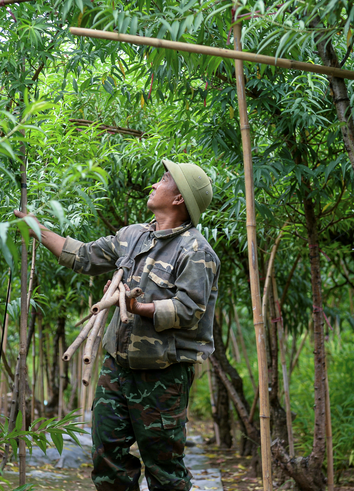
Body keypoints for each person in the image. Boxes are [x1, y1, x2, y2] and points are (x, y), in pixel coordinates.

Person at [14, 159, 220, 491]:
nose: (154, 184)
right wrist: (37, 229)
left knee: (164, 469)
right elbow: (83, 256)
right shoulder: (132, 236)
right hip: (116, 369)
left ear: (179, 197)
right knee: (107, 460)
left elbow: (189, 310)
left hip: (163, 376)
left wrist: (138, 307)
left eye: (163, 179)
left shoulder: (196, 251)